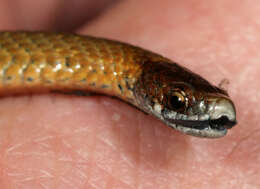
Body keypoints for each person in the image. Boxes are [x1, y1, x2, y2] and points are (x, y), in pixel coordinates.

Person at [0, 0, 258, 188]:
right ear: (147, 86)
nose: (181, 107)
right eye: (176, 101)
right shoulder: (116, 66)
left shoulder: (117, 67)